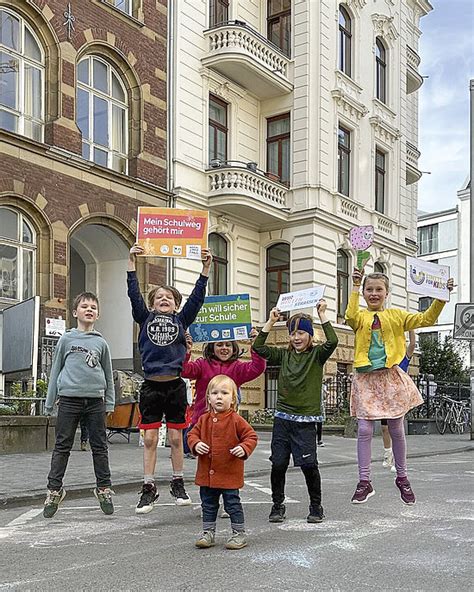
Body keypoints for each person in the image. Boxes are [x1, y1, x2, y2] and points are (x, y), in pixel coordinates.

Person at [346, 270, 453, 505]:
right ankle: (364, 482)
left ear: (386, 293)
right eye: (369, 289)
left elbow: (427, 319)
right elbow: (350, 316)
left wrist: (441, 299)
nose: (373, 293)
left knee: (396, 427)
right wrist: (354, 286)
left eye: (378, 289)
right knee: (364, 429)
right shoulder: (361, 317)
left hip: (390, 377)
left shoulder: (396, 315)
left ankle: (402, 477)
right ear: (364, 293)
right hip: (366, 378)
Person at [127, 243, 212, 514]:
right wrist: (131, 263)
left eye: (170, 298)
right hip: (151, 386)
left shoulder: (181, 321)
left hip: (175, 386)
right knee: (150, 440)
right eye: (159, 297)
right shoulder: (144, 317)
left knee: (177, 439)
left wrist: (206, 268)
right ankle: (149, 488)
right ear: (152, 304)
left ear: (176, 306)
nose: (164, 299)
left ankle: (178, 482)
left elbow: (197, 298)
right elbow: (133, 296)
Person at [252, 300, 338, 524]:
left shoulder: (317, 356)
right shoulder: (283, 356)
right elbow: (258, 348)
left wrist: (322, 315)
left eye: (301, 333)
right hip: (283, 420)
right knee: (278, 464)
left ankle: (316, 506)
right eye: (293, 333)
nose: (297, 338)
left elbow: (334, 341)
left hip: (306, 422)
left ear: (310, 335)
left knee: (309, 466)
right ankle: (277, 505)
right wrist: (271, 321)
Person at [43, 292, 115, 518]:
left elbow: (108, 374)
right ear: (75, 312)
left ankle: (103, 488)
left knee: (100, 446)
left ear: (98, 314)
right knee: (62, 445)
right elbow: (55, 370)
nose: (89, 309)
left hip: (95, 401)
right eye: (85, 306)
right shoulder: (66, 339)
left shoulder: (101, 342)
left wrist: (110, 401)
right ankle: (54, 490)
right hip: (69, 399)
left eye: (94, 307)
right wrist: (49, 401)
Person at [187, 375, 258, 550]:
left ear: (233, 399)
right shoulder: (203, 419)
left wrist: (244, 447)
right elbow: (191, 435)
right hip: (207, 475)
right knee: (208, 505)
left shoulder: (236, 420)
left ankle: (238, 533)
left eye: (224, 393)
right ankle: (208, 532)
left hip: (229, 473)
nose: (219, 396)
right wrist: (196, 444)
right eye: (215, 393)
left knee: (232, 504)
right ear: (208, 399)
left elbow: (251, 436)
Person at [181, 331, 266, 429]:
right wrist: (186, 351)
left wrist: (257, 345)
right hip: (201, 424)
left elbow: (257, 368)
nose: (224, 348)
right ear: (212, 349)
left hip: (227, 426)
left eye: (228, 345)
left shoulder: (237, 368)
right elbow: (184, 370)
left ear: (233, 349)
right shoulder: (202, 365)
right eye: (219, 345)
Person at [381, 330, 416, 472]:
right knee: (384, 428)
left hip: (398, 400)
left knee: (396, 430)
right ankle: (388, 453)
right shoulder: (385, 360)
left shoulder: (403, 359)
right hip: (385, 398)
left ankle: (398, 460)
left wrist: (411, 328)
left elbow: (412, 344)